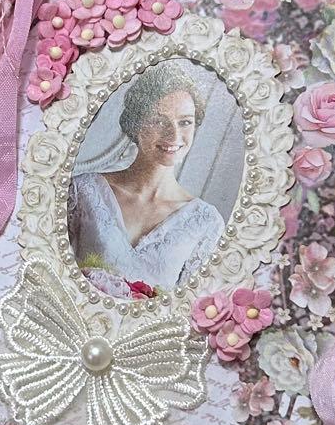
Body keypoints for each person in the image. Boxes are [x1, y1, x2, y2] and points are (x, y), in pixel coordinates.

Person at [68, 62, 225, 292]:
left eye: (185, 122)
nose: (174, 135)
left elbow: (190, 304)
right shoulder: (82, 192)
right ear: (136, 123)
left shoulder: (206, 222)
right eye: (158, 120)